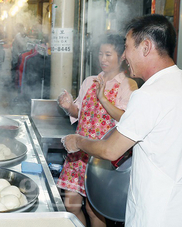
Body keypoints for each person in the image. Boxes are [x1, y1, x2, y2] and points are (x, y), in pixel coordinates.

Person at [62, 14, 182, 227]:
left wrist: (77, 141)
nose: (126, 55)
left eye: (128, 46)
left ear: (146, 47)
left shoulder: (148, 94)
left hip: (155, 213)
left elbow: (110, 150)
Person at [57, 33, 138, 227]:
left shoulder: (127, 85)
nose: (103, 59)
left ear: (121, 57)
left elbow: (127, 119)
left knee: (95, 213)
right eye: (100, 54)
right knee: (71, 205)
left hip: (102, 158)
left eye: (108, 54)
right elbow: (80, 112)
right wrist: (69, 106)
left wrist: (103, 99)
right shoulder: (89, 81)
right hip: (79, 153)